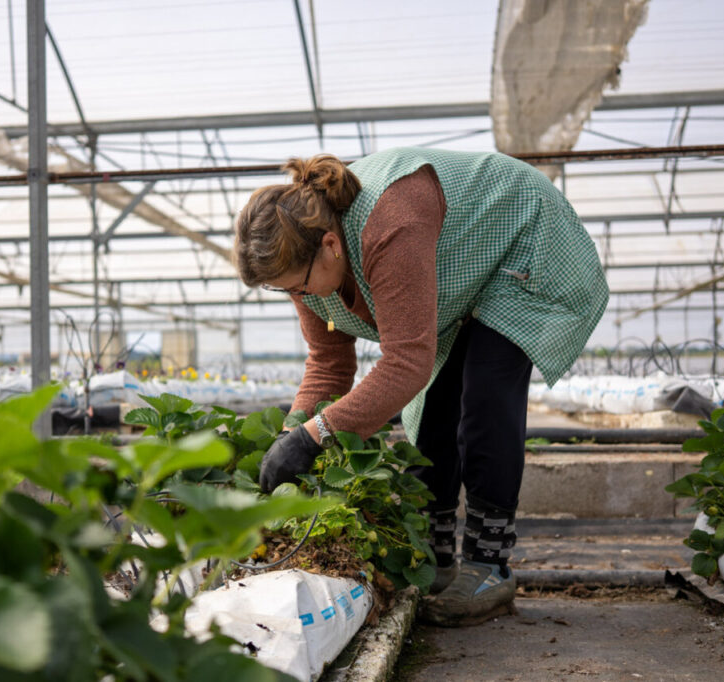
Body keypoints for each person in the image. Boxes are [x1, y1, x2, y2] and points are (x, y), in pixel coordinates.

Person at [232, 147, 608, 626]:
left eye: (298, 288)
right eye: (284, 291)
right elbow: (328, 363)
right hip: (462, 271)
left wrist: (317, 435)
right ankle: (435, 558)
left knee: (485, 399)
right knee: (435, 409)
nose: (297, 299)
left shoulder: (389, 223)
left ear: (330, 244)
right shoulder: (304, 265)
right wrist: (292, 434)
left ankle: (489, 565)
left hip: (523, 235)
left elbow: (407, 361)